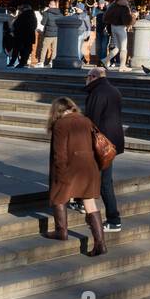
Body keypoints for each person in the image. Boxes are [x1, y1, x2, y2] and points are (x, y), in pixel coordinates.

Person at [46, 97, 106, 255]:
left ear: (56, 110)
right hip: (89, 167)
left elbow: (59, 153)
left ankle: (61, 231)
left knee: (58, 196)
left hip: (71, 168)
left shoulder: (60, 124)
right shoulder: (86, 121)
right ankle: (100, 243)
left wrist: (59, 174)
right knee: (90, 203)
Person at [83, 66, 125, 233]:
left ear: (93, 77)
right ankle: (81, 201)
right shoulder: (114, 90)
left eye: (87, 76)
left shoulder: (97, 93)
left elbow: (91, 120)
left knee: (105, 182)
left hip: (101, 144)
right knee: (96, 176)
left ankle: (114, 219)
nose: (86, 80)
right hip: (112, 142)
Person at [104, 0, 133, 70]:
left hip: (113, 27)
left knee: (117, 48)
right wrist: (132, 18)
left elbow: (106, 17)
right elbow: (127, 20)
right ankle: (122, 66)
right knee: (123, 48)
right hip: (121, 28)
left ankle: (104, 60)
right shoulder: (125, 6)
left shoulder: (113, 5)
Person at [36, 0, 64, 67]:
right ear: (55, 5)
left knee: (44, 48)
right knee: (54, 49)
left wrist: (44, 13)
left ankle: (41, 62)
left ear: (49, 5)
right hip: (57, 34)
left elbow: (43, 23)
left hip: (48, 34)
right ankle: (51, 63)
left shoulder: (47, 13)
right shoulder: (60, 14)